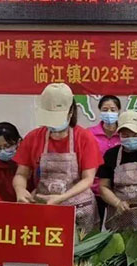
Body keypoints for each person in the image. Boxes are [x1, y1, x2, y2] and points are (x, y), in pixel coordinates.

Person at [12, 83, 102, 232]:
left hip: (79, 210)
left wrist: (61, 198)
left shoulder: (84, 138)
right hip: (44, 208)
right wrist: (20, 189)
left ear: (71, 112)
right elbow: (21, 173)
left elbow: (88, 179)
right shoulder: (33, 137)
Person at [0, 122, 33, 202]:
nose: (2, 151)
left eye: (7, 146)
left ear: (18, 142)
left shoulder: (30, 157)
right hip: (5, 204)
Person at [88, 95, 122, 222]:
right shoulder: (89, 134)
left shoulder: (124, 134)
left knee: (117, 228)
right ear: (99, 110)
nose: (109, 113)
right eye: (105, 109)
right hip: (94, 189)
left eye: (113, 110)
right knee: (94, 227)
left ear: (119, 111)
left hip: (119, 191)